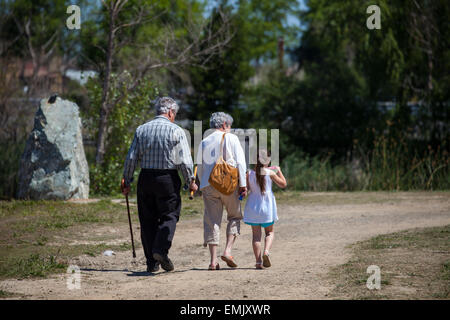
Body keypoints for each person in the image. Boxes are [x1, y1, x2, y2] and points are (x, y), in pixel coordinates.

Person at [121, 97, 197, 273]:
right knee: (169, 215)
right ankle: (160, 250)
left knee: (147, 219)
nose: (174, 117)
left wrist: (127, 179)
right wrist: (190, 181)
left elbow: (131, 158)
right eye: (174, 114)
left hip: (145, 178)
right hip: (167, 179)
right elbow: (184, 161)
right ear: (170, 112)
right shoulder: (177, 131)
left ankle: (151, 263)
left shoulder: (142, 129)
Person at [196, 112, 247, 270]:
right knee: (234, 216)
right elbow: (241, 162)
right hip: (229, 184)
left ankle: (213, 261)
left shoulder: (204, 141)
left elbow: (199, 166)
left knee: (212, 221)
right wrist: (243, 184)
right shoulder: (232, 138)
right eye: (229, 126)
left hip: (209, 184)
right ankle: (228, 251)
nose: (230, 129)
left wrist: (203, 183)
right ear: (224, 124)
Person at [244, 149, 287, 269]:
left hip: (253, 206)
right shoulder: (270, 173)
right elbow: (283, 184)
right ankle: (266, 252)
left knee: (256, 236)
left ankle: (258, 262)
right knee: (269, 232)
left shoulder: (249, 174)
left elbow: (246, 190)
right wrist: (279, 171)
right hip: (267, 206)